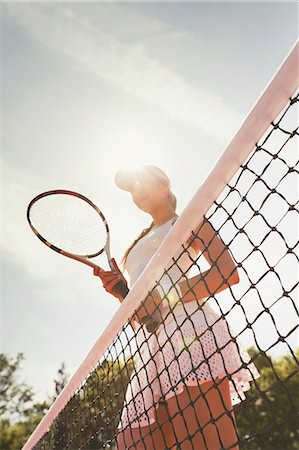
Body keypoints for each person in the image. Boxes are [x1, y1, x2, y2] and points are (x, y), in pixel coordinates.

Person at [94, 165, 260, 450]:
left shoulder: (188, 219)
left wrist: (162, 296)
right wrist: (122, 292)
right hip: (150, 349)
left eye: (139, 181)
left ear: (164, 182)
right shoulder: (136, 243)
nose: (136, 190)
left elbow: (226, 272)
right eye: (130, 188)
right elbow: (144, 313)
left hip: (190, 334)